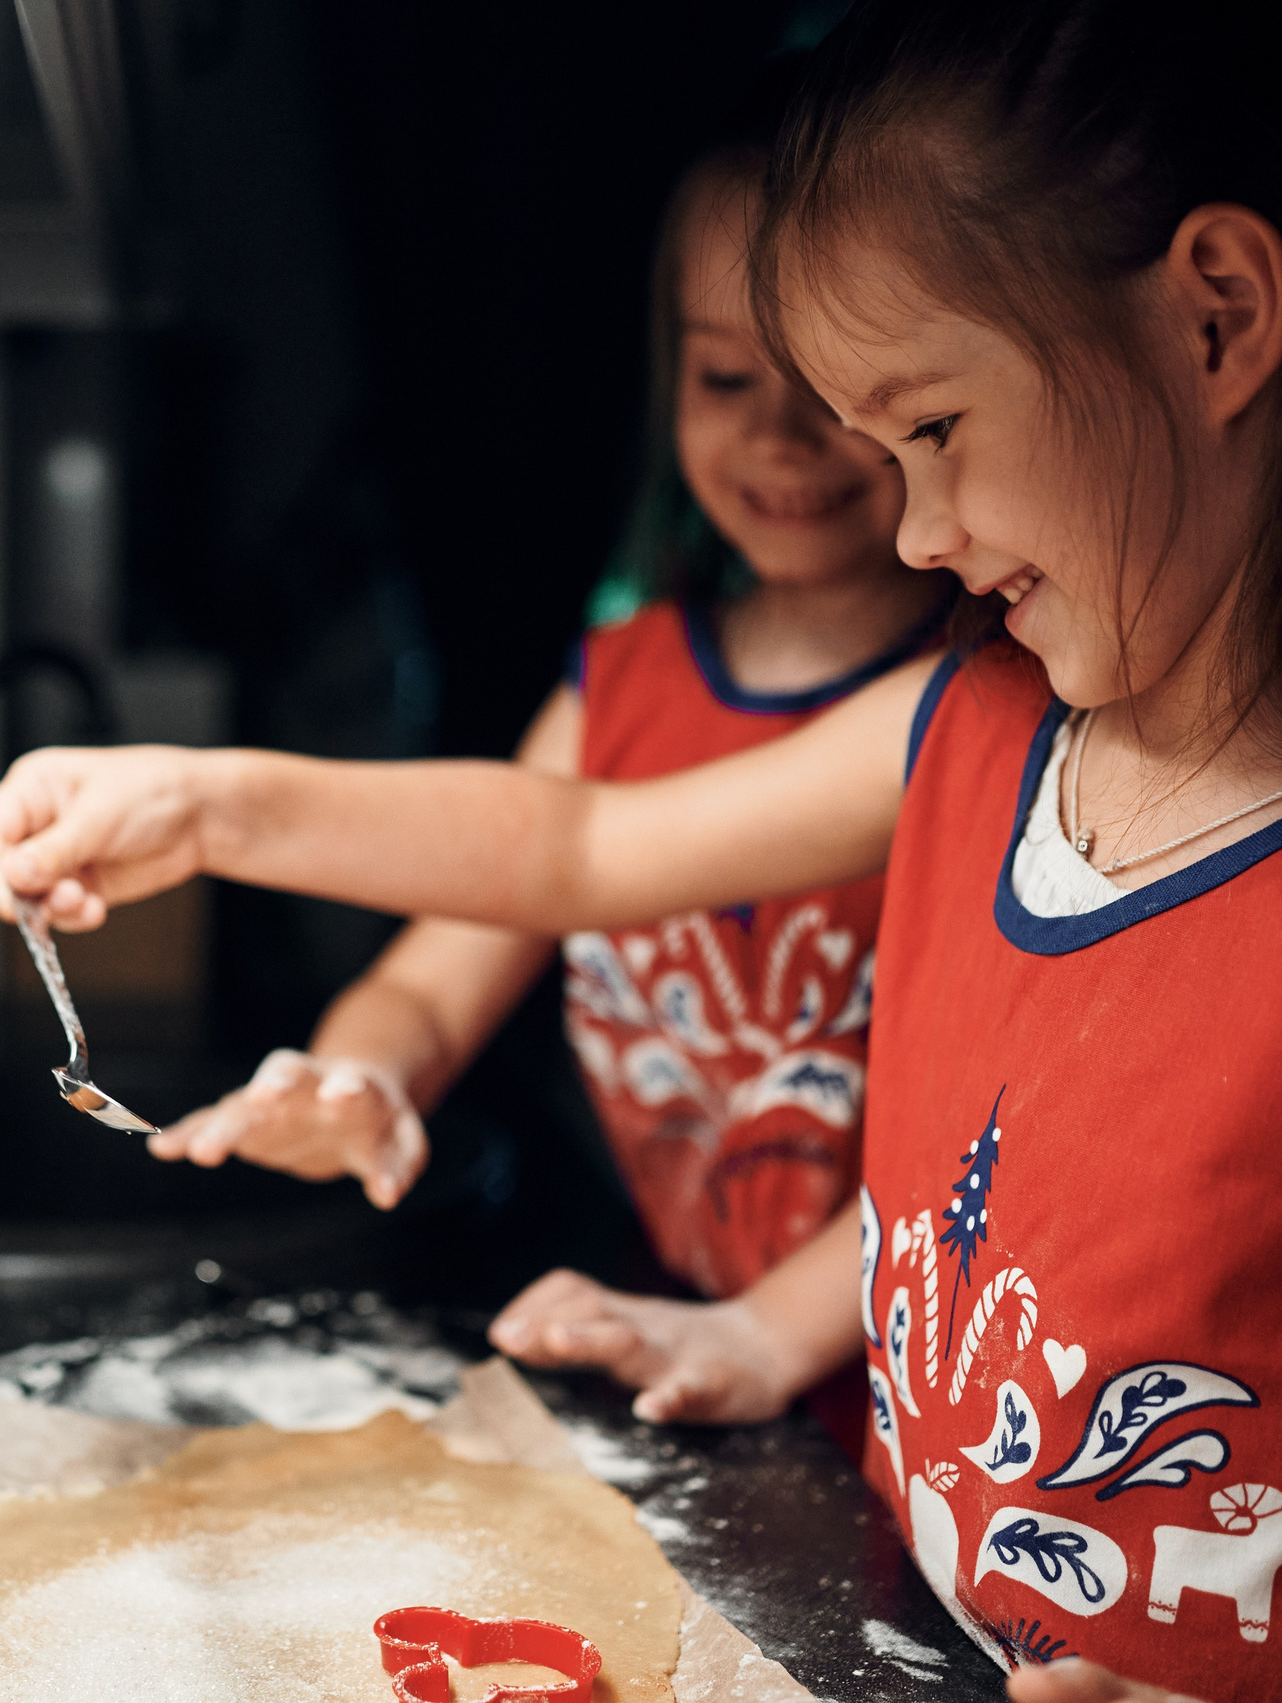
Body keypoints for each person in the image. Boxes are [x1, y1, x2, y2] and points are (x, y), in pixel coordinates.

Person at [0, 1, 1282, 1694]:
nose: (923, 531)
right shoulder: (972, 728)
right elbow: (577, 844)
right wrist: (208, 803)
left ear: (1216, 319)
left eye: (931, 431)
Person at [145, 63, 946, 1435]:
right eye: (723, 375)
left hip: (908, 1389)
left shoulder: (987, 701)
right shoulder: (619, 689)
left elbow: (987, 1157)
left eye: (831, 383)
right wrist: (362, 1074)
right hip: (690, 1350)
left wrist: (764, 1330)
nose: (777, 433)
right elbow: (438, 982)